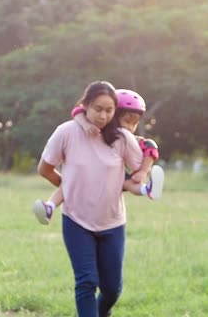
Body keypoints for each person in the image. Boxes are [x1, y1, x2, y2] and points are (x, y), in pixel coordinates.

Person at [37, 81, 144, 317]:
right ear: (85, 106)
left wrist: (145, 178)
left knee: (112, 289)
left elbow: (137, 173)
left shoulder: (122, 139)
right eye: (97, 109)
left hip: (112, 223)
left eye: (109, 110)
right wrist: (70, 187)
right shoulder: (66, 132)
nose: (103, 116)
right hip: (76, 221)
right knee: (86, 282)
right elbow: (44, 168)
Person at [33, 89, 165, 225]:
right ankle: (49, 207)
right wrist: (85, 124)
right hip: (90, 179)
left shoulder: (132, 139)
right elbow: (78, 112)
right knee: (69, 183)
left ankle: (147, 189)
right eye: (126, 121)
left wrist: (143, 171)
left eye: (134, 123)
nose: (130, 128)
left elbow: (151, 147)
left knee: (130, 183)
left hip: (115, 178)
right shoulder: (95, 130)